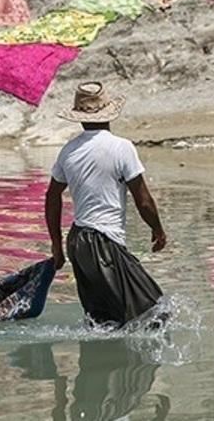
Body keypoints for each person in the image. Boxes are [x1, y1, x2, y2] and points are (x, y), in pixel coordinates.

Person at [45, 81, 168, 328]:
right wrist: (158, 229)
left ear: (79, 117)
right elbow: (143, 200)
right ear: (109, 113)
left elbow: (51, 197)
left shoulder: (68, 151)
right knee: (156, 314)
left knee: (102, 322)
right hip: (103, 243)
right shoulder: (121, 147)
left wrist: (57, 247)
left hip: (78, 243)